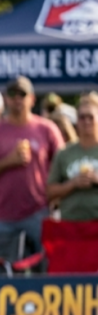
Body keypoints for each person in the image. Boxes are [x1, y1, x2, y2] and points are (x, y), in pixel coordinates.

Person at [0, 76, 63, 251]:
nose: (17, 98)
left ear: (32, 98)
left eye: (22, 94)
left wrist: (55, 196)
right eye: (12, 94)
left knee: (44, 269)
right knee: (0, 270)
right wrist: (8, 161)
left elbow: (62, 165)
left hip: (39, 212)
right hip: (2, 215)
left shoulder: (47, 129)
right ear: (5, 98)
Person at [47, 92, 98, 221]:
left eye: (90, 117)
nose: (86, 121)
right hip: (70, 226)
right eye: (82, 117)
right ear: (76, 120)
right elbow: (49, 192)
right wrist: (73, 183)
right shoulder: (64, 153)